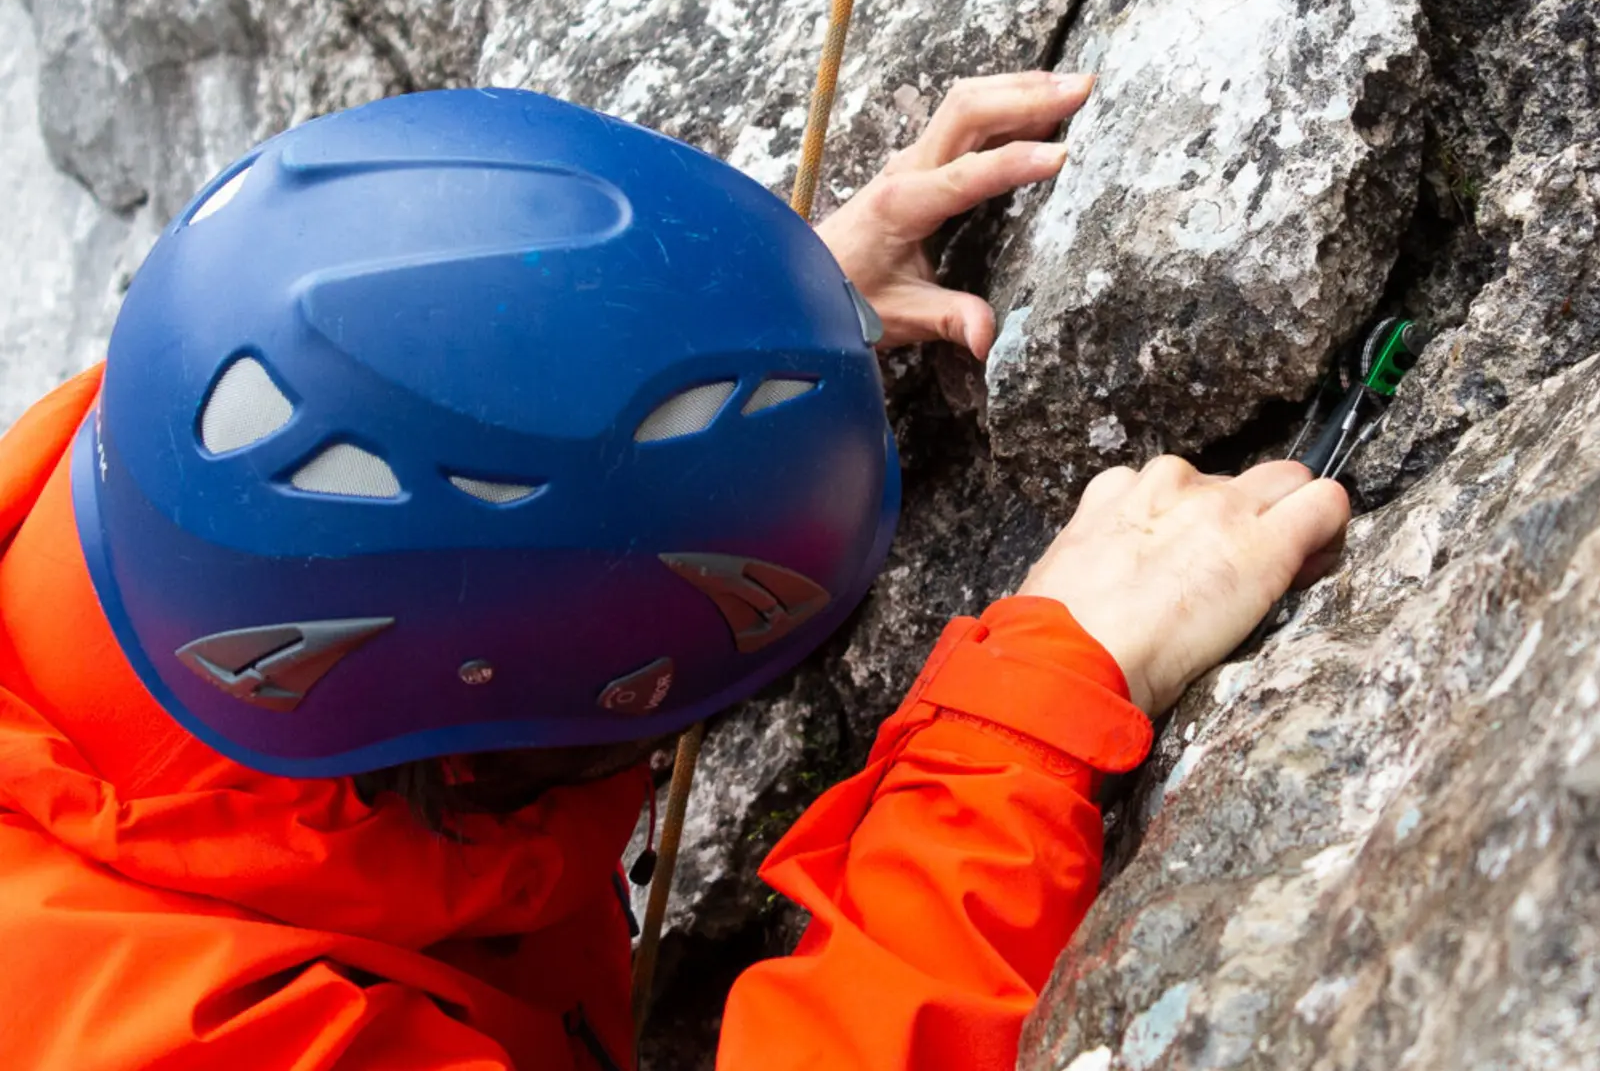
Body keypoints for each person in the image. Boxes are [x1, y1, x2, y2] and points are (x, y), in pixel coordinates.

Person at [0, 72, 1349, 1070]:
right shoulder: (171, 1033)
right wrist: (1023, 731)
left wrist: (727, 332)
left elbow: (412, 389)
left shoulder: (189, 467)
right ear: (484, 729)